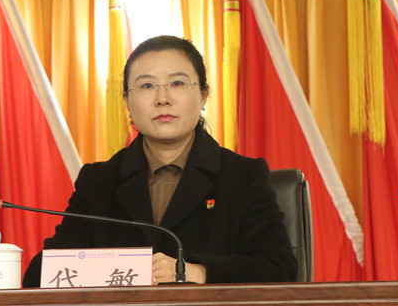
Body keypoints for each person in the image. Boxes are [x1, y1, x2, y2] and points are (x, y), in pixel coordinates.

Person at [22, 35, 296, 286]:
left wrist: (199, 272)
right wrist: (121, 271)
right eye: (147, 85)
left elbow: (280, 268)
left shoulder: (242, 176)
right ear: (127, 101)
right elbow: (39, 276)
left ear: (203, 95)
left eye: (177, 83)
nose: (162, 99)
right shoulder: (99, 181)